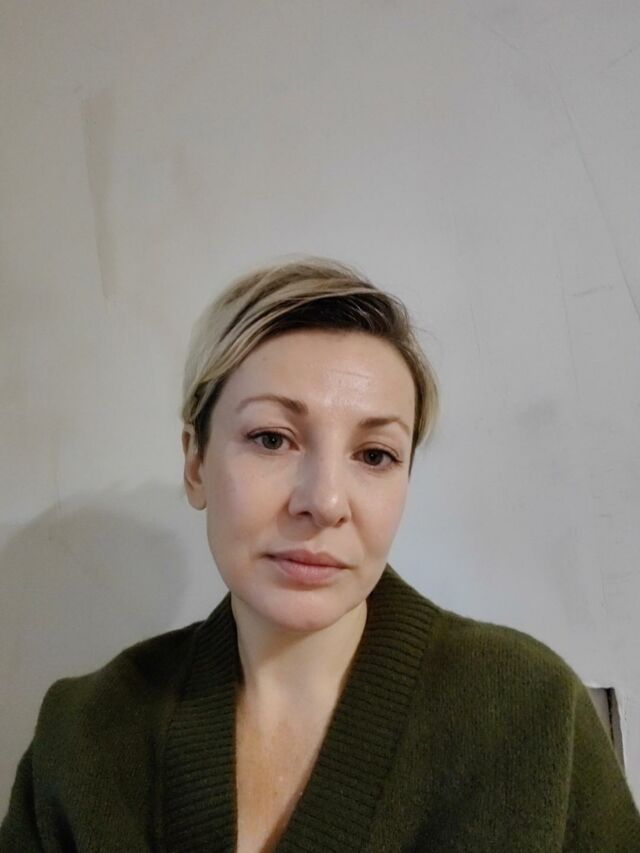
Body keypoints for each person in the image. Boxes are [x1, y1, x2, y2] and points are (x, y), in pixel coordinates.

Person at [1, 255, 639, 853]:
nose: (325, 502)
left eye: (375, 455)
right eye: (272, 439)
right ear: (195, 463)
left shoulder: (532, 714)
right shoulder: (82, 735)